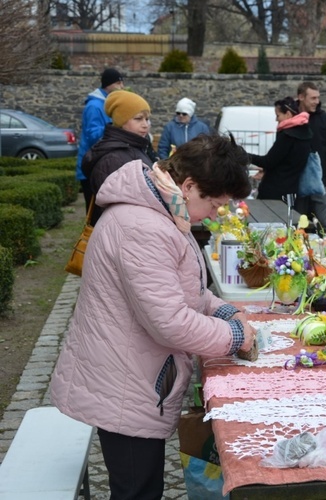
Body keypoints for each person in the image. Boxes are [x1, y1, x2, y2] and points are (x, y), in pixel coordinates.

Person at [50, 134, 256, 500]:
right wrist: (235, 337)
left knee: (141, 486)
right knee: (137, 490)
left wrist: (223, 310)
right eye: (215, 204)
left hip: (132, 374)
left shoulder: (161, 210)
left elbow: (180, 290)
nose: (215, 214)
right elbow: (170, 321)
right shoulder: (143, 227)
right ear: (189, 186)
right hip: (125, 386)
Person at [82, 90, 157, 226]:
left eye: (147, 119)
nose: (145, 124)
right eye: (138, 118)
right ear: (121, 121)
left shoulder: (135, 147)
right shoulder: (113, 159)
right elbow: (120, 211)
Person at [295, 81, 326, 233]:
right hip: (297, 180)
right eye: (313, 98)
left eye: (318, 98)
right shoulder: (293, 117)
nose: (317, 101)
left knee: (322, 224)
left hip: (320, 181)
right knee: (298, 223)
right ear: (301, 97)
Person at [76, 68, 125, 210]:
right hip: (91, 167)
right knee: (94, 213)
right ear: (108, 84)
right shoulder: (94, 106)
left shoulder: (106, 103)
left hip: (100, 164)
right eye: (118, 83)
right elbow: (92, 136)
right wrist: (113, 126)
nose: (121, 87)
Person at [249, 97, 313, 203]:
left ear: (288, 114)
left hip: (275, 192)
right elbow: (286, 161)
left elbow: (268, 161)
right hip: (292, 190)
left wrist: (243, 155)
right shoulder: (306, 133)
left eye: (278, 115)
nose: (276, 120)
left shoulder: (287, 136)